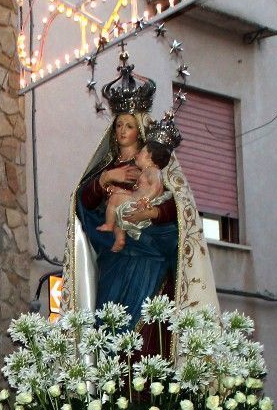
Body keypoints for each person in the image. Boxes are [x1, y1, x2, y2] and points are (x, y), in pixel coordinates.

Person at [62, 62, 217, 331]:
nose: (122, 130)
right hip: (113, 261)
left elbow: (179, 207)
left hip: (149, 260)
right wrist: (106, 179)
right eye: (119, 124)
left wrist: (152, 213)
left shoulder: (156, 168)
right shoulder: (105, 168)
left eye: (129, 125)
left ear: (140, 131)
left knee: (146, 335)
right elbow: (81, 205)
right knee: (108, 331)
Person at [100, 140, 174, 252]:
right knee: (117, 208)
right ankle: (120, 239)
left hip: (141, 204)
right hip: (136, 200)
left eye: (141, 152)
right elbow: (137, 191)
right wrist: (121, 190)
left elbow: (157, 187)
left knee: (115, 199)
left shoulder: (153, 171)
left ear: (149, 156)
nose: (137, 155)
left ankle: (108, 225)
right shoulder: (145, 172)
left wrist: (145, 200)